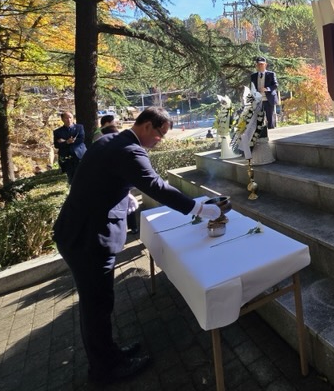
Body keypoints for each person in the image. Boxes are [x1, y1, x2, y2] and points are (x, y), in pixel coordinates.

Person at [53, 107, 221, 384]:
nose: (160, 141)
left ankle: (109, 353)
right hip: (89, 239)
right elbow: (155, 186)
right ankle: (104, 370)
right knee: (96, 306)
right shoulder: (130, 150)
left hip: (77, 232)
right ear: (145, 126)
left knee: (98, 304)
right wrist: (198, 209)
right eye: (160, 134)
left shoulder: (110, 140)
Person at [53, 111, 86, 184]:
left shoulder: (79, 127)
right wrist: (67, 142)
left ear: (73, 118)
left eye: (70, 117)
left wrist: (65, 141)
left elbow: (81, 139)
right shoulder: (57, 132)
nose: (69, 120)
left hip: (79, 155)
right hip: (66, 157)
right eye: (66, 118)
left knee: (83, 176)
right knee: (70, 179)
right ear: (62, 119)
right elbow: (56, 145)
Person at [249, 56, 279, 129]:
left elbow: (275, 85)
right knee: (259, 118)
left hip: (269, 99)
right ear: (256, 65)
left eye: (262, 64)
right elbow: (252, 87)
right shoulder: (253, 76)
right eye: (258, 64)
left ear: (265, 65)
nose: (260, 66)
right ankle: (261, 134)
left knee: (270, 118)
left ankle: (271, 132)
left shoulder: (271, 74)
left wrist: (267, 89)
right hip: (258, 100)